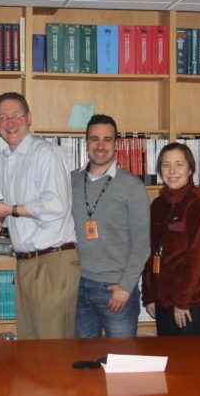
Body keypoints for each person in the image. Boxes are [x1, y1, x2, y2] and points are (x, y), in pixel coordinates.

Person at [0, 92, 80, 339]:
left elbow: (56, 205)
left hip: (54, 260)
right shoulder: (3, 159)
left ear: (29, 118)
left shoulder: (46, 153)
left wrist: (9, 210)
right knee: (30, 346)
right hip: (25, 263)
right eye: (2, 118)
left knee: (53, 347)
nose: (10, 122)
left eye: (16, 115)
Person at [71, 114, 150, 338]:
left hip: (116, 288)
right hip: (78, 286)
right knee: (83, 362)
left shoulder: (132, 186)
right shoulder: (71, 181)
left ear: (116, 143)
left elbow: (142, 245)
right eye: (94, 139)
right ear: (86, 143)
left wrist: (125, 287)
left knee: (122, 360)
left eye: (107, 139)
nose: (100, 146)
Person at [141, 142, 200, 339]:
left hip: (194, 301)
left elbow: (198, 257)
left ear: (190, 168)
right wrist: (149, 295)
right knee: (170, 365)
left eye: (179, 164)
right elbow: (149, 253)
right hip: (163, 301)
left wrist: (182, 301)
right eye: (166, 165)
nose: (172, 171)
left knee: (192, 367)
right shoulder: (158, 204)